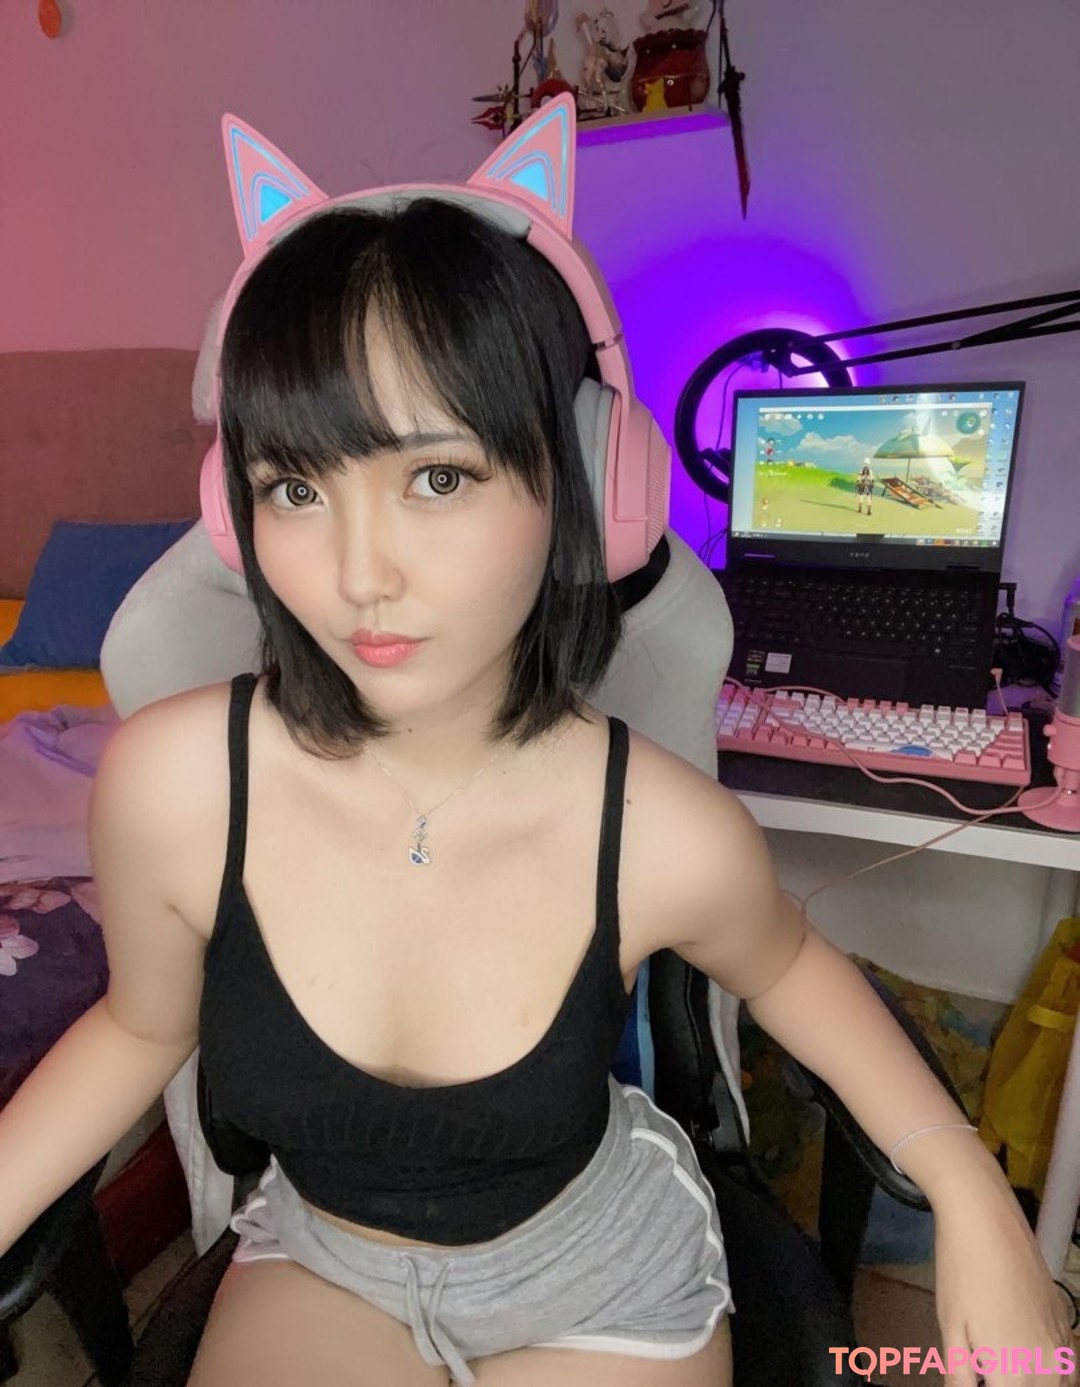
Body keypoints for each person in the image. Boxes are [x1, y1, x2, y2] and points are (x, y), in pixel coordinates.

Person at [1, 99, 1073, 1387]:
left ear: (581, 481)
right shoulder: (173, 788)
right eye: (296, 488)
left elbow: (791, 966)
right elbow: (137, 1030)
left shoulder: (660, 830)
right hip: (325, 1261)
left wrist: (970, 1194)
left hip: (595, 1276)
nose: (358, 574)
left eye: (437, 478)